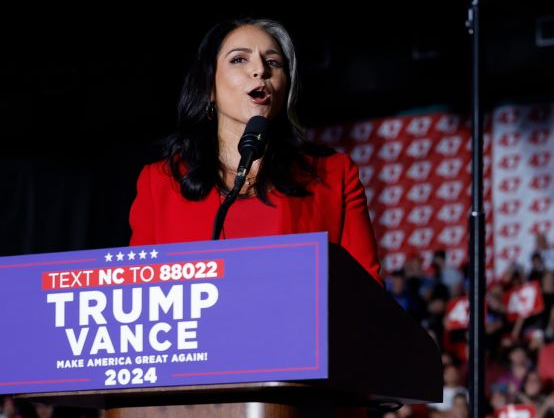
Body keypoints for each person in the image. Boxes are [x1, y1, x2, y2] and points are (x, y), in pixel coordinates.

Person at [128, 17, 381, 281]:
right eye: (239, 59)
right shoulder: (158, 182)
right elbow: (142, 296)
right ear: (209, 86)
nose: (260, 70)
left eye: (273, 62)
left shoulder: (334, 174)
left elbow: (367, 295)